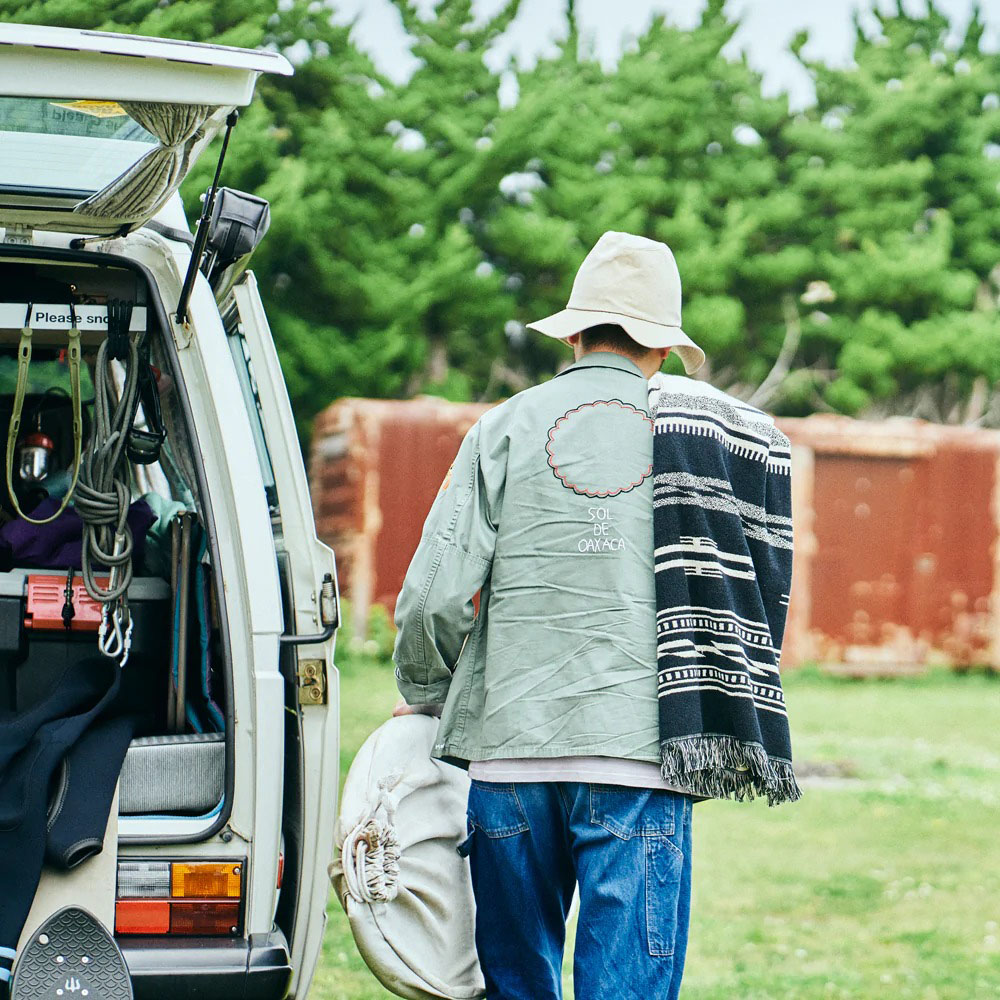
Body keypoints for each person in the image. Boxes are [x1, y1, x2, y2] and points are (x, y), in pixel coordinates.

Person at [392, 231, 708, 1000]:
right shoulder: (701, 443)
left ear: (573, 334)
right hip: (641, 760)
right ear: (662, 349)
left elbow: (434, 596)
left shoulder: (503, 427)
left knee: (516, 987)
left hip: (509, 763)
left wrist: (429, 693)